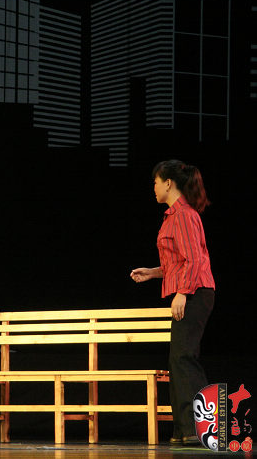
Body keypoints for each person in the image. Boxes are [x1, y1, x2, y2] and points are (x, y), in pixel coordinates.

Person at [130, 160, 215, 446]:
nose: (153, 188)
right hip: (188, 289)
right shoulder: (173, 216)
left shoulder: (184, 215)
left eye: (155, 182)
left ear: (168, 183)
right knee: (178, 359)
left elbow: (194, 259)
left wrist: (182, 292)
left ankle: (199, 429)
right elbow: (178, 262)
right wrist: (153, 272)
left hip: (195, 292)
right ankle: (184, 429)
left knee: (184, 358)